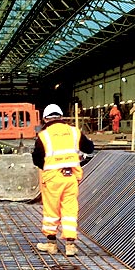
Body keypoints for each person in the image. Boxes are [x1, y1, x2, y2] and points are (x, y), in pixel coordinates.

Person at [32, 104, 95, 257]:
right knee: (70, 210)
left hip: (52, 178)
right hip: (70, 177)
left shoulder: (43, 135)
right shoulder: (74, 132)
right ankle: (70, 245)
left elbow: (37, 159)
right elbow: (89, 148)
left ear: (45, 119)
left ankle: (51, 244)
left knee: (51, 211)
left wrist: (48, 166)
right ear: (61, 117)